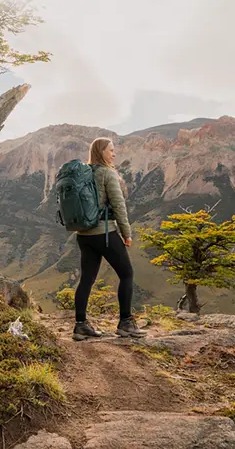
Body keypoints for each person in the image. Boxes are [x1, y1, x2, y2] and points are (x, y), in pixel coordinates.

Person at [72, 137, 147, 340]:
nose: (114, 154)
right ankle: (126, 323)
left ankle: (80, 325)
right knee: (127, 274)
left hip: (83, 235)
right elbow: (119, 206)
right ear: (101, 152)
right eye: (111, 150)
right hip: (104, 233)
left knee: (86, 279)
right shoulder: (107, 173)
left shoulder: (83, 172)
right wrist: (126, 233)